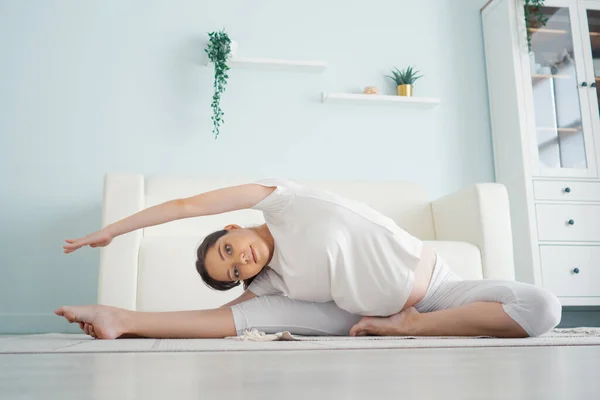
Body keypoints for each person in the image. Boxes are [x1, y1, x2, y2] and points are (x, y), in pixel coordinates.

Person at [56, 179, 562, 340]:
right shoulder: (272, 280)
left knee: (542, 308)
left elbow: (187, 206)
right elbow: (220, 318)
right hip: (354, 313)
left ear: (233, 227)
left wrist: (110, 231)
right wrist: (122, 318)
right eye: (235, 271)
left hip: (438, 289)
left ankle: (411, 327)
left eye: (229, 249)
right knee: (236, 322)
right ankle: (121, 319)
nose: (241, 260)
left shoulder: (282, 200)